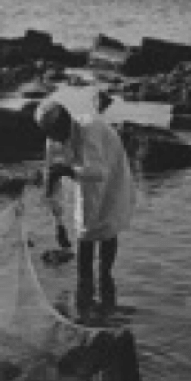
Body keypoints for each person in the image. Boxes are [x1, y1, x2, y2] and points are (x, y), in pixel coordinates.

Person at [35, 98, 136, 313]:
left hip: (110, 167)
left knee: (108, 224)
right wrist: (59, 224)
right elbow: (52, 185)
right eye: (49, 134)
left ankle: (105, 283)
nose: (54, 139)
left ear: (66, 122)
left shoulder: (90, 130)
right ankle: (85, 293)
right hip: (81, 172)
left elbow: (99, 172)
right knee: (84, 229)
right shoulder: (52, 142)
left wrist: (68, 171)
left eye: (56, 132)